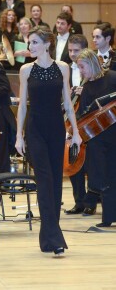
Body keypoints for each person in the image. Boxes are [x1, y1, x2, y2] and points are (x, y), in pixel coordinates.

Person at [15, 26, 82, 256]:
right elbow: (22, 105)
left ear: (46, 44)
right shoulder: (25, 70)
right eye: (29, 42)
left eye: (33, 42)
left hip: (56, 128)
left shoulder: (62, 68)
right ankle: (55, 238)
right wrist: (18, 136)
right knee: (44, 181)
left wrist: (75, 131)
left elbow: (67, 103)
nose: (30, 47)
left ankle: (47, 238)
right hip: (34, 129)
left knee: (55, 182)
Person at [76, 48, 116, 227]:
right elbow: (83, 116)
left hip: (114, 134)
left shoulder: (113, 77)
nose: (81, 71)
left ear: (92, 64)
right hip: (97, 139)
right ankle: (107, 218)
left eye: (82, 67)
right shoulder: (86, 87)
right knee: (103, 178)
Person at [64, 34, 90, 215]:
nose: (72, 54)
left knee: (91, 162)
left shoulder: (91, 67)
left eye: (76, 50)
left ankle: (93, 200)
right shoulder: (65, 68)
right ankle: (79, 201)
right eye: (70, 50)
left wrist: (85, 90)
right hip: (71, 119)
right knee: (73, 159)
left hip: (87, 117)